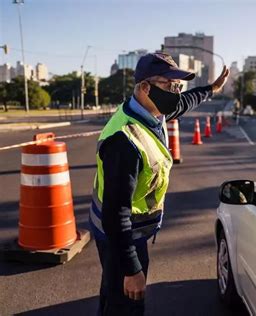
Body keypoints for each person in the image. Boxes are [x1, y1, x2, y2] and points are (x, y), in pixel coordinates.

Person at [89, 52, 229, 315]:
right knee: (127, 305)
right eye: (170, 85)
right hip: (121, 236)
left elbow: (186, 102)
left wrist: (211, 89)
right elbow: (115, 214)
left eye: (178, 86)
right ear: (145, 87)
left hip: (129, 231)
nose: (176, 92)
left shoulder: (152, 111)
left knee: (112, 292)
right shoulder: (124, 140)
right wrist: (131, 269)